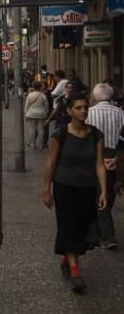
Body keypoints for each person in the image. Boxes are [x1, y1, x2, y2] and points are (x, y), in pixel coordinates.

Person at [41, 94, 108, 293]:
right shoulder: (59, 135)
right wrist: (46, 190)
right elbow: (50, 163)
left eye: (85, 107)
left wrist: (104, 191)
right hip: (65, 187)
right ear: (69, 111)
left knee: (84, 228)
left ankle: (65, 257)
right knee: (68, 225)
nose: (83, 111)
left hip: (87, 188)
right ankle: (75, 271)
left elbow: (99, 164)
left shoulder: (96, 134)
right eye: (78, 108)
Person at [85, 83, 124, 249]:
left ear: (94, 97)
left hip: (95, 156)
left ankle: (106, 234)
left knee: (97, 195)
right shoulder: (121, 113)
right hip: (117, 157)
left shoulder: (88, 112)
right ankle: (101, 230)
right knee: (108, 193)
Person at [25, 81, 50, 150]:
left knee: (32, 130)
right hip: (41, 113)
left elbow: (27, 105)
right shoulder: (43, 95)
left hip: (31, 113)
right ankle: (41, 145)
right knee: (41, 129)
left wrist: (26, 114)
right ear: (40, 87)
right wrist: (46, 112)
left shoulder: (30, 95)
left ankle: (33, 144)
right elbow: (46, 105)